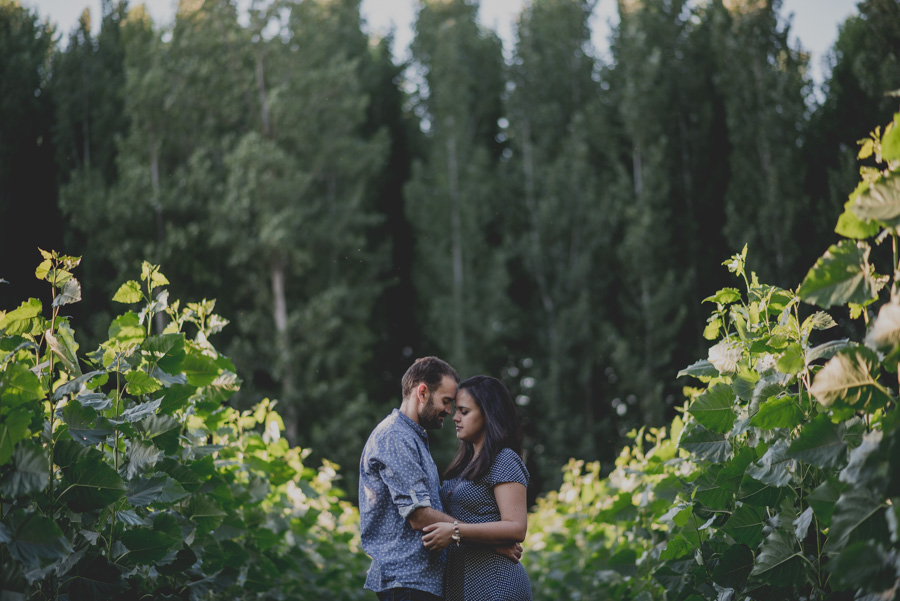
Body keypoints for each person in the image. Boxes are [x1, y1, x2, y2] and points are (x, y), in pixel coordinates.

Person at [360, 357, 522, 600]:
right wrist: (490, 543)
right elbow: (419, 515)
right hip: (408, 579)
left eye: (460, 409)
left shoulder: (414, 439)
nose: (450, 412)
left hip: (428, 582)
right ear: (422, 392)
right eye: (447, 402)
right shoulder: (396, 436)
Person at [421, 375, 532, 601]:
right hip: (463, 583)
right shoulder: (464, 466)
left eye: (464, 411)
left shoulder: (504, 460)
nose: (454, 417)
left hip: (497, 583)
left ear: (487, 415)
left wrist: (455, 532)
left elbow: (516, 527)